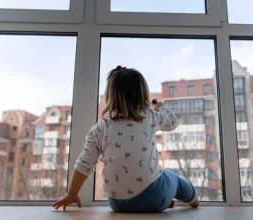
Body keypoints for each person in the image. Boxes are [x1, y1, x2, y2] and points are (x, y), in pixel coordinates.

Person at [52, 66, 199, 213]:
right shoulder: (150, 116)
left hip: (118, 204)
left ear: (110, 96)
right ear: (142, 94)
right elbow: (172, 122)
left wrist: (72, 193)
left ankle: (162, 202)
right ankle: (194, 200)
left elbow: (84, 163)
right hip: (154, 197)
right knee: (173, 179)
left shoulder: (100, 127)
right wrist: (161, 108)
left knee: (158, 183)